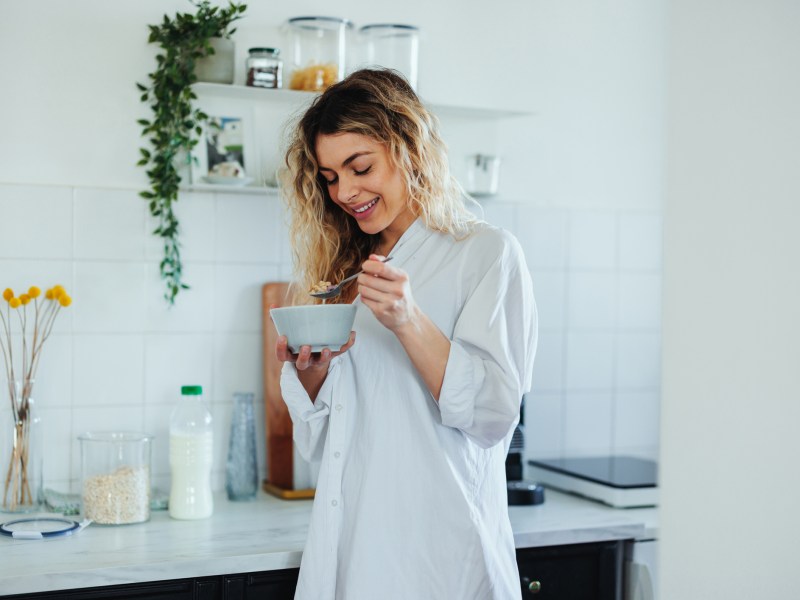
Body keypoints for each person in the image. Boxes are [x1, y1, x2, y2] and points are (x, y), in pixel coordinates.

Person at [276, 68, 538, 600]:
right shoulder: (345, 268)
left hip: (438, 559)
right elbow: (327, 442)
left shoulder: (485, 253)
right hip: (350, 551)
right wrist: (314, 374)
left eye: (360, 167)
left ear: (408, 146)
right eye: (329, 177)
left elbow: (494, 416)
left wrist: (408, 320)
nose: (345, 192)